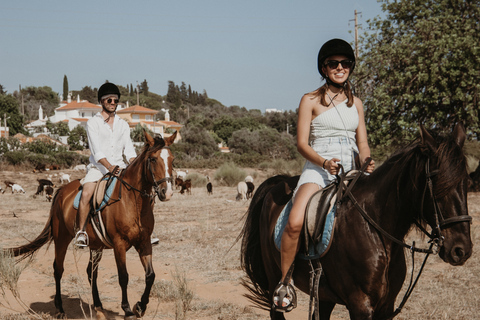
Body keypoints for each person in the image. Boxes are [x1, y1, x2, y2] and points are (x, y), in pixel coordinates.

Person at [273, 39, 376, 311]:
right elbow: (302, 144)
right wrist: (323, 162)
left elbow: (362, 142)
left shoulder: (358, 105)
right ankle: (285, 283)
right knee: (295, 221)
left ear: (351, 67)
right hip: (318, 169)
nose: (340, 68)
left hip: (351, 169)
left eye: (345, 63)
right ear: (324, 67)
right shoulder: (310, 100)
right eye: (333, 63)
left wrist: (367, 161)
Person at [74, 82, 137, 248]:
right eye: (109, 100)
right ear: (101, 102)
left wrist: (134, 165)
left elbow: (129, 151)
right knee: (87, 193)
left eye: (115, 101)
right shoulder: (92, 123)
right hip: (98, 169)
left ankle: (142, 229)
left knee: (140, 191)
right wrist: (109, 168)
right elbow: (97, 152)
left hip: (120, 168)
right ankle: (81, 232)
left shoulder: (123, 125)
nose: (113, 103)